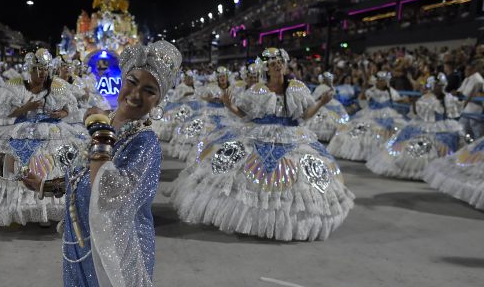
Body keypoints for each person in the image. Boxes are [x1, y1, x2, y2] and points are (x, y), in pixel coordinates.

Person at [22, 40, 204, 287]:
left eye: (150, 90)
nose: (136, 95)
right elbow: (83, 177)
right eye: (133, 82)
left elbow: (116, 198)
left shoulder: (145, 144)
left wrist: (100, 132)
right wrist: (46, 185)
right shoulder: (109, 126)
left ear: (161, 99)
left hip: (120, 254)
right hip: (79, 244)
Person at [171, 48, 354, 241]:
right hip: (259, 133)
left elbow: (304, 115)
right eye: (273, 63)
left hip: (291, 135)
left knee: (304, 176)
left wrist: (321, 103)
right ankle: (250, 220)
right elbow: (244, 114)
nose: (277, 66)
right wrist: (229, 105)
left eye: (279, 62)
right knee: (237, 169)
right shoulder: (258, 90)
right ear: (266, 68)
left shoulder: (297, 88)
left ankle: (288, 224)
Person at [0, 48, 86, 226]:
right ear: (30, 70)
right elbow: (2, 112)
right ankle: (19, 207)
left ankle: (47, 208)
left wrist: (60, 113)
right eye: (38, 70)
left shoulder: (57, 86)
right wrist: (25, 108)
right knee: (12, 165)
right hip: (22, 128)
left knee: (55, 164)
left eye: (45, 70)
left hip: (53, 130)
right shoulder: (15, 86)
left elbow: (70, 107)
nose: (42, 74)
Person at [367, 73, 466, 180]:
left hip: (445, 126)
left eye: (442, 85)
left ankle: (442, 169)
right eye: (437, 85)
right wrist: (416, 99)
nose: (440, 87)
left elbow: (456, 108)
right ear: (432, 86)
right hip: (427, 125)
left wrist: (466, 98)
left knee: (452, 142)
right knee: (417, 146)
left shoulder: (449, 97)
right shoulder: (427, 98)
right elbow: (418, 112)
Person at [328, 71, 408, 161]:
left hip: (388, 114)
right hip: (371, 113)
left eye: (384, 81)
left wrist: (403, 99)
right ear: (377, 81)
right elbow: (362, 98)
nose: (383, 83)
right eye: (381, 81)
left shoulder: (391, 92)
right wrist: (365, 87)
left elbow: (397, 100)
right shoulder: (371, 91)